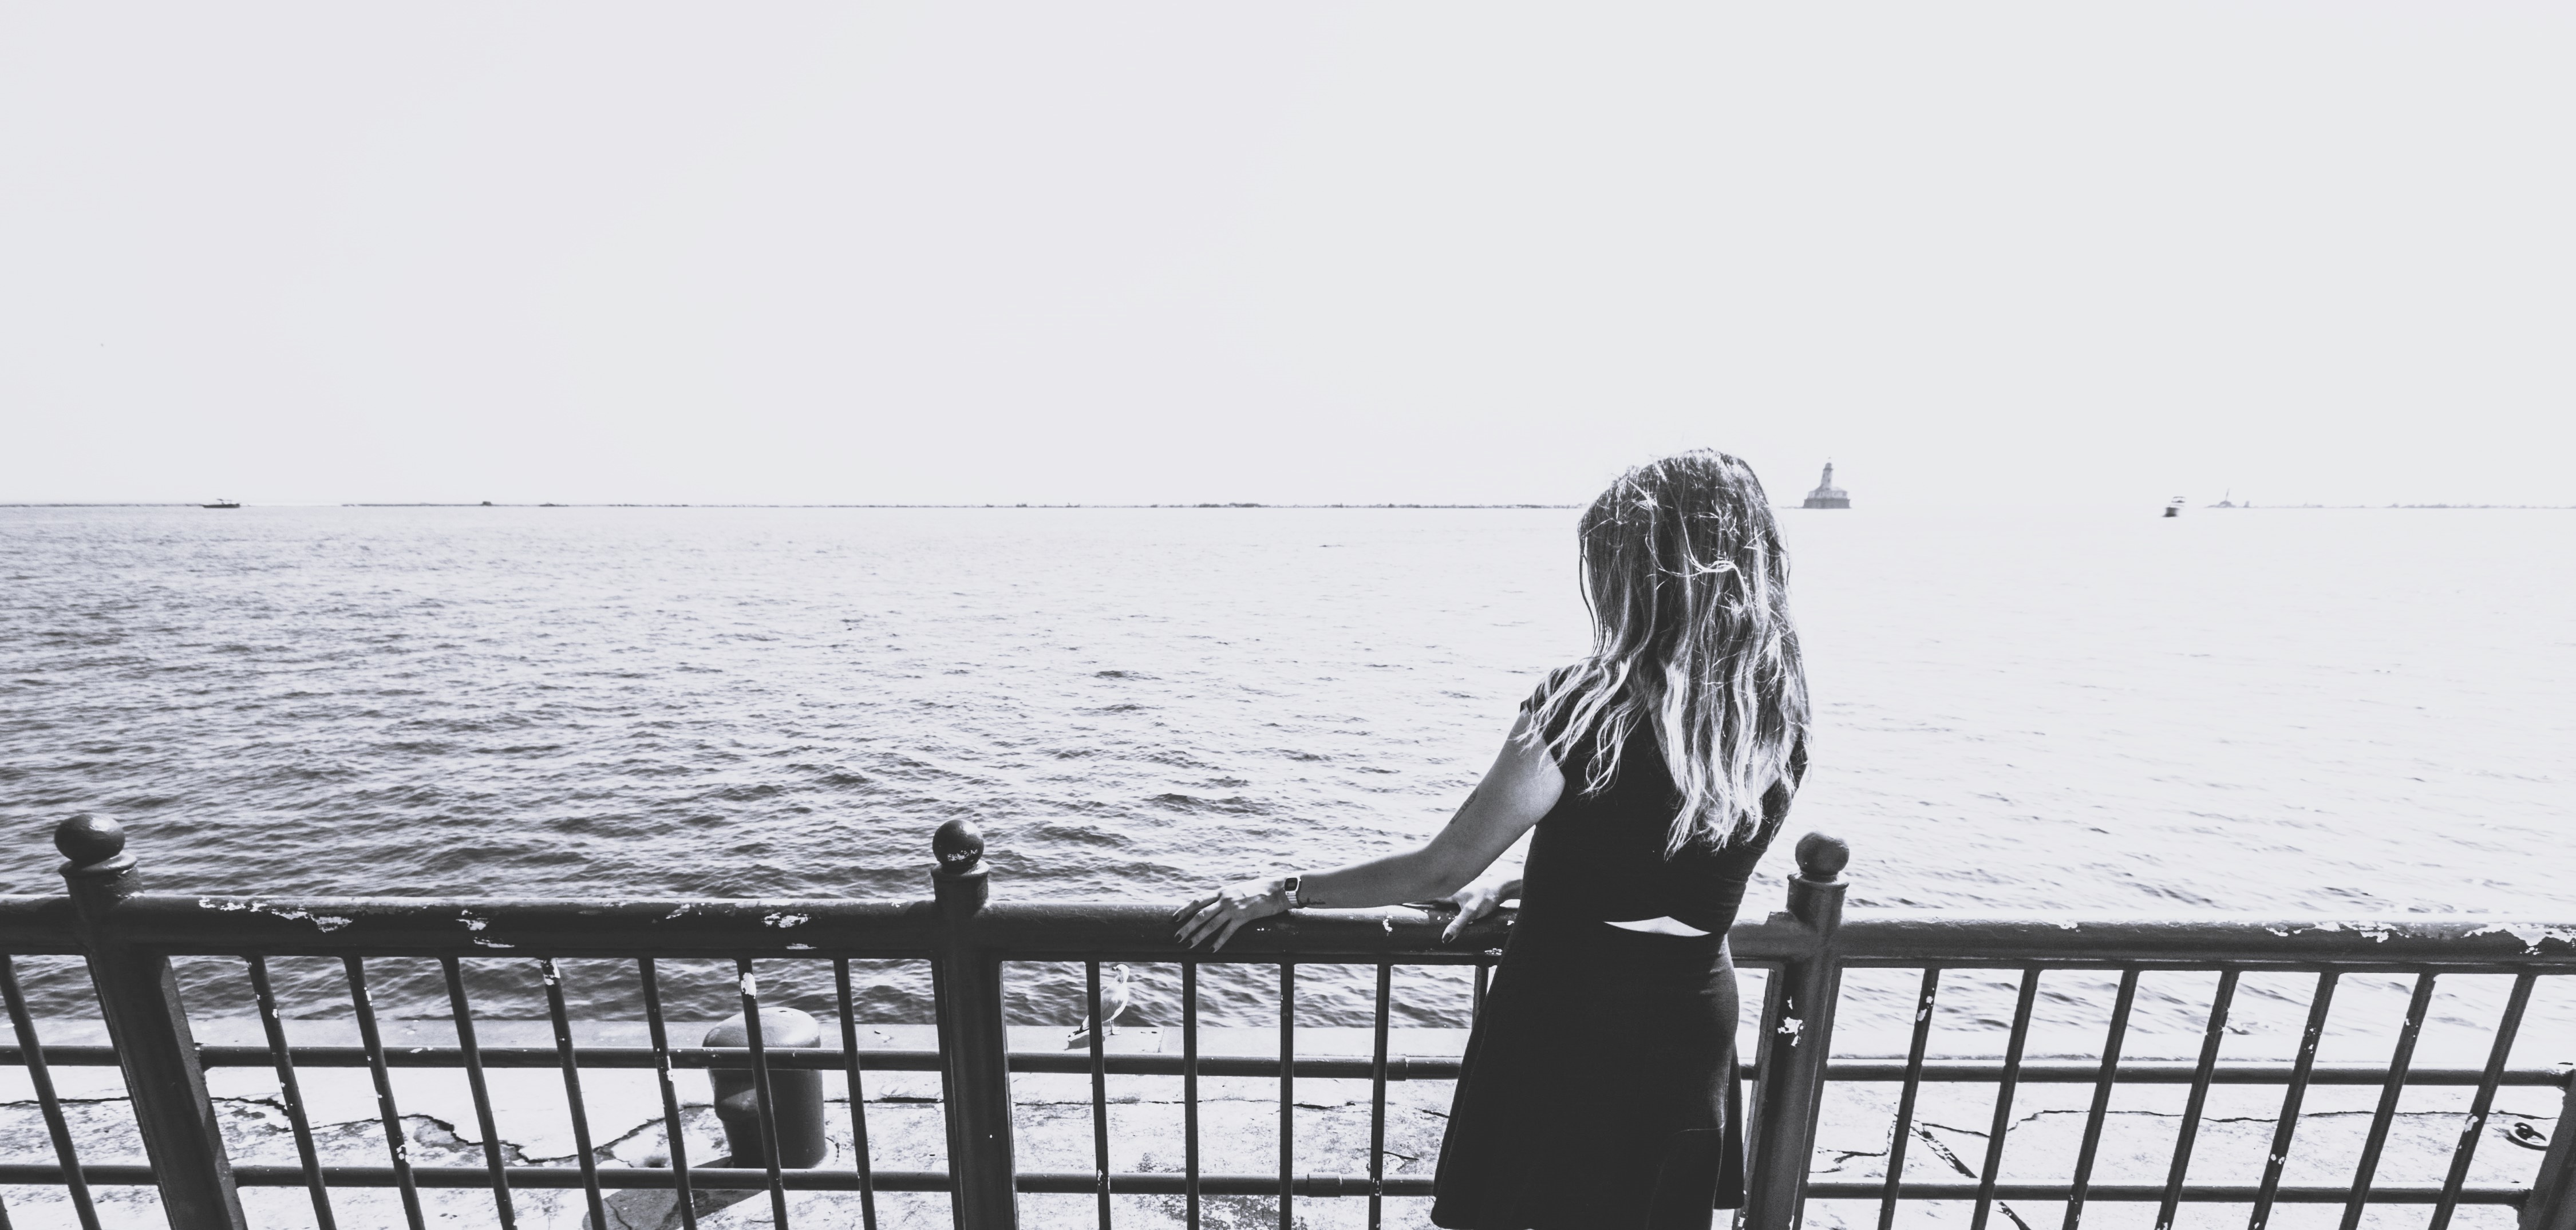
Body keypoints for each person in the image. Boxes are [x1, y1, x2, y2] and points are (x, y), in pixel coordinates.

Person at [1173, 450, 1810, 1230]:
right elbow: (1675, 866)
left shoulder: (1584, 705)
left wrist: (1287, 890)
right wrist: (1551, 882)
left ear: (1648, 574)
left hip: (1569, 1011)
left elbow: (1444, 864)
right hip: (1692, 1020)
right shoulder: (1775, 715)